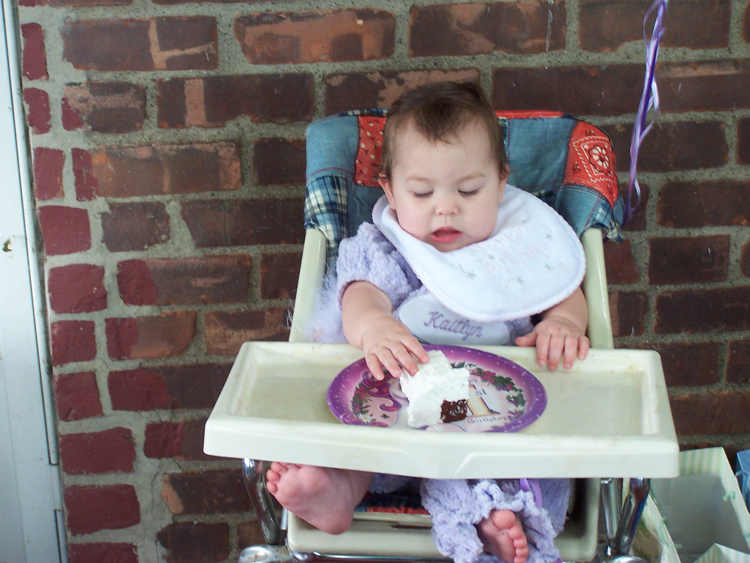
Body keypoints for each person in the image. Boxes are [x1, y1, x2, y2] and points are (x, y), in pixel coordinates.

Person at [266, 82, 589, 563]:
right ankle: (337, 489)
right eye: (421, 191)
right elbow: (359, 292)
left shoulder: (521, 247)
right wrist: (374, 323)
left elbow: (563, 293)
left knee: (491, 469)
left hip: (489, 414)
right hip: (395, 408)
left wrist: (562, 322)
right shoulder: (389, 247)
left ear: (502, 183)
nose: (446, 206)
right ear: (390, 191)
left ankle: (488, 518)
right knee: (357, 443)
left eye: (469, 189)